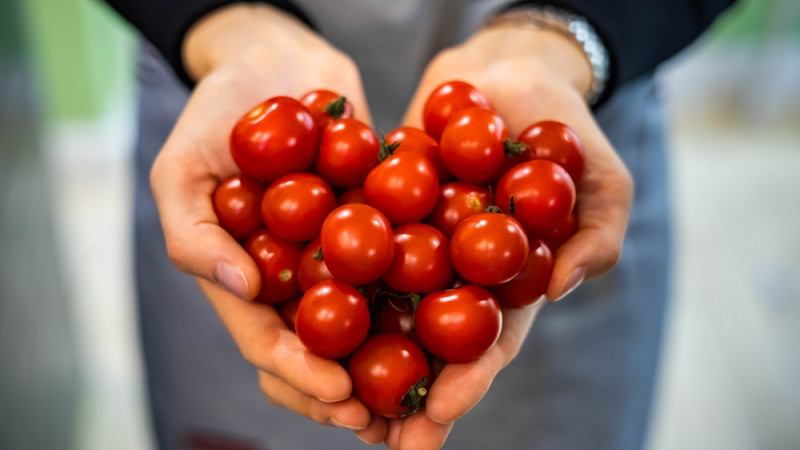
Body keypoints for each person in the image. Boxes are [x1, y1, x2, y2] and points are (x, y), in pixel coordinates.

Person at [104, 1, 735, 448]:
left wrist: (570, 34)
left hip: (571, 89)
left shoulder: (511, 187)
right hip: (221, 85)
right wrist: (221, 20)